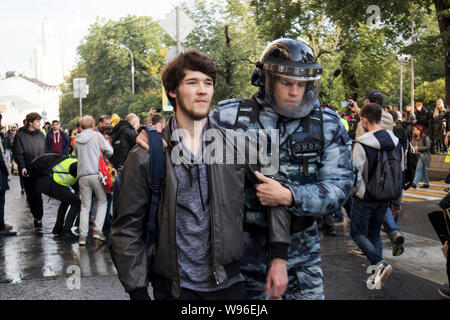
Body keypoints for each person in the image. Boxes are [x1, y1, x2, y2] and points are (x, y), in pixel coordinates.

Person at [111, 50, 280, 300]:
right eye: (192, 82)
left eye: (208, 83)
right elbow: (127, 227)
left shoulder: (236, 146)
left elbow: (276, 193)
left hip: (230, 287)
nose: (202, 90)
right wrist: (137, 291)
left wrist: (280, 257)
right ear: (172, 91)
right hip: (176, 291)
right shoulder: (147, 153)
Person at [213, 38, 355, 299]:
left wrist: (290, 196)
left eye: (301, 85)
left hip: (302, 260)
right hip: (243, 261)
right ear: (266, 79)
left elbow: (340, 186)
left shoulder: (327, 124)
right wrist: (154, 139)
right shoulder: (229, 117)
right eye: (286, 82)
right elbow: (187, 139)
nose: (294, 92)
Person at [351, 103, 404, 289]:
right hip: (386, 197)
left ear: (364, 120)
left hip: (365, 197)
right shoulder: (396, 142)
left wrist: (354, 192)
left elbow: (355, 172)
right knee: (374, 234)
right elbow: (400, 173)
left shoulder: (362, 143)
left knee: (357, 232)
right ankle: (375, 279)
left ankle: (379, 264)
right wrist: (397, 201)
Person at [74, 115, 113, 245]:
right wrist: (102, 156)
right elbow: (110, 151)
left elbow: (77, 155)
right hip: (97, 173)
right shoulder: (97, 136)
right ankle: (97, 231)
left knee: (85, 206)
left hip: (82, 175)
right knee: (102, 202)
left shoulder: (76, 140)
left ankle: (82, 237)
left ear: (81, 127)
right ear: (93, 125)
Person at [33, 154, 80, 240]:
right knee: (77, 202)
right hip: (51, 183)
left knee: (68, 199)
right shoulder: (77, 165)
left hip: (45, 182)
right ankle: (66, 231)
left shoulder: (74, 162)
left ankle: (58, 229)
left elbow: (75, 186)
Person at [12, 112, 46, 232]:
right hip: (28, 170)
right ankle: (36, 216)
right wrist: (22, 167)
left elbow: (45, 151)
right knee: (32, 196)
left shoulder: (41, 135)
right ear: (30, 123)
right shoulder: (20, 135)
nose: (39, 124)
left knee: (38, 194)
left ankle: (39, 218)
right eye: (37, 122)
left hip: (40, 170)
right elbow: (18, 153)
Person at [411, 125, 431, 189]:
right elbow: (412, 145)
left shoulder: (425, 137)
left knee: (419, 168)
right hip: (417, 155)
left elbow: (428, 147)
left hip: (424, 156)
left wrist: (418, 148)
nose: (416, 132)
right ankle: (426, 183)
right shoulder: (414, 138)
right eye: (415, 130)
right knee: (422, 170)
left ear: (421, 130)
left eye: (417, 130)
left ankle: (414, 183)